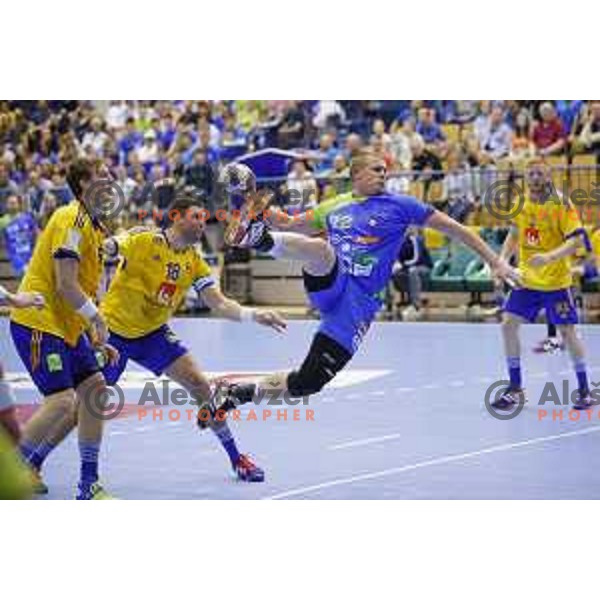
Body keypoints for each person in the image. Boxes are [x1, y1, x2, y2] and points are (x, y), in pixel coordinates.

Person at [213, 150, 519, 412]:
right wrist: (259, 206)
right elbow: (292, 224)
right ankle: (258, 239)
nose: (383, 174)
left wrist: (496, 261)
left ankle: (238, 393)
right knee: (320, 250)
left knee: (308, 382)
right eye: (376, 169)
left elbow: (457, 230)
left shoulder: (402, 205)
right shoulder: (334, 205)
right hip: (331, 280)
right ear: (356, 174)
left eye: (386, 170)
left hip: (357, 305)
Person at [96, 197, 286, 482]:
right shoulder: (146, 240)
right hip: (112, 332)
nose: (201, 223)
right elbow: (113, 244)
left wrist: (254, 315)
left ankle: (237, 459)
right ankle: (35, 460)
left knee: (199, 383)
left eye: (203, 217)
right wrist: (108, 243)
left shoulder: (194, 261)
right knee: (86, 401)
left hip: (152, 333)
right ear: (176, 217)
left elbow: (219, 304)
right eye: (196, 217)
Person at [10, 158, 119, 499]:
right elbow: (65, 285)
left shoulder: (93, 226)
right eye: (102, 174)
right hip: (39, 323)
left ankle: (89, 482)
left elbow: (82, 289)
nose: (111, 178)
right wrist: (97, 319)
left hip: (67, 329)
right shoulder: (71, 219)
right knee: (60, 401)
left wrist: (91, 335)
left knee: (94, 391)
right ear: (85, 185)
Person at [493, 158, 592, 410]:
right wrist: (502, 260)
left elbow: (576, 241)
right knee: (508, 325)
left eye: (539, 174)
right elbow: (514, 234)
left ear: (548, 177)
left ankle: (584, 390)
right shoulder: (521, 202)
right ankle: (515, 388)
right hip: (527, 279)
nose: (534, 178)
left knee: (567, 332)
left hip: (556, 282)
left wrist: (549, 257)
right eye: (531, 174)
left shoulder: (561, 204)